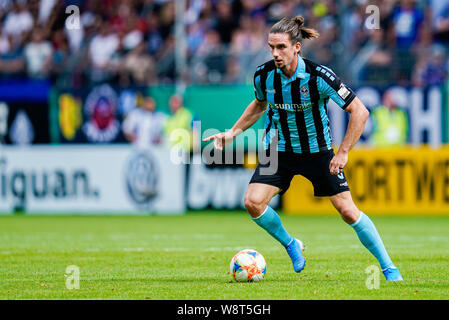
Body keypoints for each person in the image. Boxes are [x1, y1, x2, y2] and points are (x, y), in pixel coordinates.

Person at [203, 16, 403, 281]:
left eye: (281, 47)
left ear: (297, 47)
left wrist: (342, 152)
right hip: (279, 151)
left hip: (317, 152)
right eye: (271, 47)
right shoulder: (264, 76)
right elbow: (259, 104)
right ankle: (291, 244)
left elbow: (360, 111)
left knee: (347, 211)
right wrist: (233, 132)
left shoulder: (319, 76)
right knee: (252, 202)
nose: (275, 53)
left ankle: (389, 267)